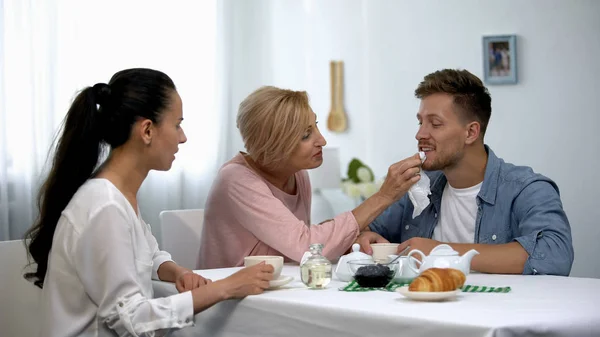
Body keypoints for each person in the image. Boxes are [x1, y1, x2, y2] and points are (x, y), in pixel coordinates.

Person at [24, 68, 274, 337]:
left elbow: (147, 254)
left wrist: (176, 271)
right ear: (147, 130)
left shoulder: (117, 196)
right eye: (177, 124)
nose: (183, 137)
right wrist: (225, 287)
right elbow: (131, 320)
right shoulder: (104, 206)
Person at [357, 69, 574, 276]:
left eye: (435, 123)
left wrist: (441, 251)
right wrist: (366, 236)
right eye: (420, 122)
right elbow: (357, 230)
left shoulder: (527, 189)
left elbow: (555, 254)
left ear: (471, 132)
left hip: (498, 311)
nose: (420, 134)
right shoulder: (419, 188)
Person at [197, 86, 421, 269]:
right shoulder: (236, 180)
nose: (322, 140)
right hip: (235, 302)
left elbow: (297, 240)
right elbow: (306, 246)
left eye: (315, 126)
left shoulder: (298, 174)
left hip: (277, 289)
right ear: (274, 144)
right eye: (306, 135)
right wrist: (383, 196)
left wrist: (352, 238)